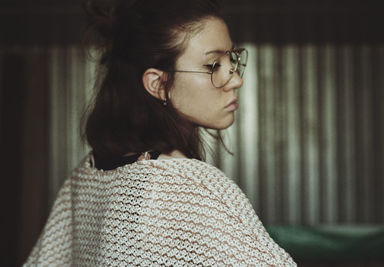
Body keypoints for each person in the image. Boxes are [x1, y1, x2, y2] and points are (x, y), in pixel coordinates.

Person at [25, 0, 296, 265]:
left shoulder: (85, 176)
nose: (236, 79)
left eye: (232, 59)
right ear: (158, 84)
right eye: (213, 66)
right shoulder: (193, 187)